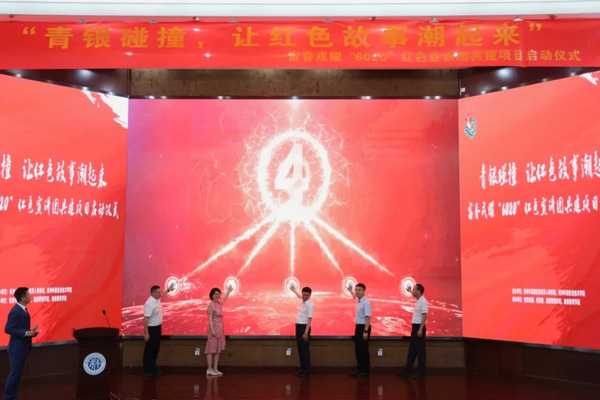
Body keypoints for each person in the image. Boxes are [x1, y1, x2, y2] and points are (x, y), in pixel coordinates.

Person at [3, 287, 39, 400]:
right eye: (28, 295)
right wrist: (25, 333)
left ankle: (12, 397)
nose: (30, 296)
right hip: (16, 349)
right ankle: (8, 397)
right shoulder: (16, 311)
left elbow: (21, 328)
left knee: (17, 375)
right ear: (22, 298)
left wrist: (31, 333)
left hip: (23, 347)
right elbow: (8, 329)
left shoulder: (23, 310)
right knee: (14, 374)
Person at [398, 283, 428, 379]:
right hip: (415, 327)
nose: (412, 291)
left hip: (419, 327)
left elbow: (424, 316)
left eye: (414, 289)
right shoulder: (418, 300)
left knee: (420, 351)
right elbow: (413, 293)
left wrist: (420, 329)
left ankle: (421, 373)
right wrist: (409, 290)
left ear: (418, 291)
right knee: (412, 350)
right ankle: (407, 371)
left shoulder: (423, 301)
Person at [143, 283, 174, 377]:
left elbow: (163, 294)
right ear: (152, 293)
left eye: (160, 292)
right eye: (158, 292)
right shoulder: (149, 304)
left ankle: (153, 369)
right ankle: (147, 370)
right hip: (151, 329)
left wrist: (168, 290)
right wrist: (146, 333)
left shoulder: (156, 299)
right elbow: (146, 319)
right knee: (150, 350)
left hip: (157, 328)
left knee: (155, 349)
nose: (160, 294)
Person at [205, 286, 232, 376]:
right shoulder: (211, 305)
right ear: (212, 295)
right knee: (211, 349)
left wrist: (228, 292)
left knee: (217, 350)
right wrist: (212, 330)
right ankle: (209, 369)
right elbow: (210, 319)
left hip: (220, 329)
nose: (217, 296)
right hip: (213, 329)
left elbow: (224, 299)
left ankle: (215, 369)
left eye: (218, 294)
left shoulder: (219, 303)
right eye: (215, 294)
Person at [347, 282, 371, 377]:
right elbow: (354, 296)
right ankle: (360, 369)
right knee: (358, 349)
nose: (357, 292)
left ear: (364, 291)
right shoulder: (359, 300)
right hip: (358, 327)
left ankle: (365, 371)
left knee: (364, 350)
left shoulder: (366, 303)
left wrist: (365, 331)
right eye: (356, 290)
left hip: (364, 327)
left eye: (359, 290)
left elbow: (368, 318)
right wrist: (350, 291)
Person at [290, 285, 314, 377]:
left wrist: (306, 333)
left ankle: (306, 370)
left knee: (304, 350)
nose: (304, 297)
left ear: (310, 295)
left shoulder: (310, 305)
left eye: (307, 295)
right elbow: (299, 296)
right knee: (300, 349)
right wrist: (294, 290)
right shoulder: (303, 301)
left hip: (304, 328)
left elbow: (309, 320)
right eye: (303, 295)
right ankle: (302, 368)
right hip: (299, 327)